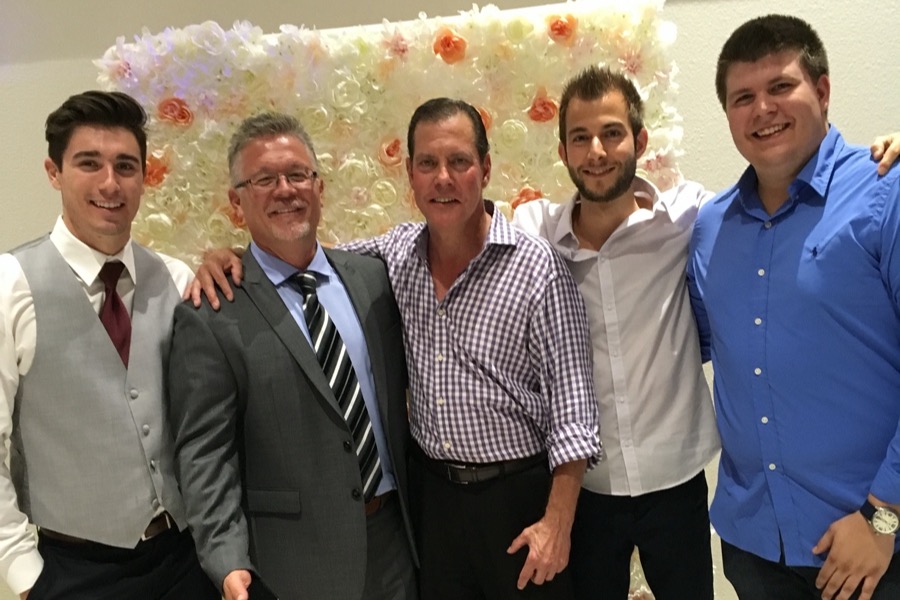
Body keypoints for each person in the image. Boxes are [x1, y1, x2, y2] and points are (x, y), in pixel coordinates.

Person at [193, 98, 601, 599]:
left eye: (459, 161)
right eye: (427, 163)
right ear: (410, 174)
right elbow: (304, 258)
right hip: (432, 505)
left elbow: (574, 412)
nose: (443, 179)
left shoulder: (537, 268)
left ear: (486, 168)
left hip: (520, 499)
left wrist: (557, 523)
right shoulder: (392, 257)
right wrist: (230, 257)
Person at [687, 14, 900, 600]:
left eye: (781, 86)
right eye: (743, 97)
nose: (763, 109)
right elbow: (694, 347)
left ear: (822, 91)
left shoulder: (886, 192)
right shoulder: (710, 228)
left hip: (873, 551)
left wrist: (884, 515)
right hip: (754, 546)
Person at [167, 112, 418, 600]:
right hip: (294, 565)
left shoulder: (372, 278)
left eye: (298, 174)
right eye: (264, 179)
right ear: (236, 203)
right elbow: (204, 452)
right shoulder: (211, 314)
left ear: (319, 187)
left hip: (395, 546)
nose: (285, 190)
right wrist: (225, 558)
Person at [0, 91, 219, 599]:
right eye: (88, 163)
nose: (109, 183)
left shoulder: (176, 279)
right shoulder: (11, 285)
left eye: (125, 165)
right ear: (54, 172)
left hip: (184, 560)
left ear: (144, 177)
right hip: (73, 570)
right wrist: (25, 575)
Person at [513, 66, 719, 600]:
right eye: (580, 138)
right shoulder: (534, 233)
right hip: (586, 488)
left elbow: (771, 186)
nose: (596, 152)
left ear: (640, 141)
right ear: (563, 152)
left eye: (611, 133)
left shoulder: (686, 217)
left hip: (676, 478)